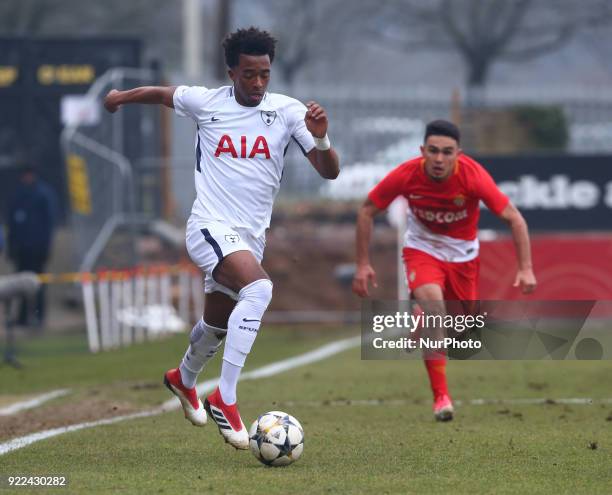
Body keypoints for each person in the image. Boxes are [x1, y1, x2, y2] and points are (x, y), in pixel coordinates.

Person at [104, 27, 339, 449]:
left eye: (264, 74)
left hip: (250, 236)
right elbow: (160, 93)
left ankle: (183, 378)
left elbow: (330, 171)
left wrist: (321, 136)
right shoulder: (205, 101)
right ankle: (225, 397)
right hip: (209, 226)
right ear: (232, 72)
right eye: (249, 74)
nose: (258, 83)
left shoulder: (288, 112)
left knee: (215, 324)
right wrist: (120, 97)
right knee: (260, 289)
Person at [352, 120, 536, 421]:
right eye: (433, 151)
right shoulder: (407, 174)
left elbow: (515, 219)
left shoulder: (473, 177)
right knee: (437, 311)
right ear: (422, 150)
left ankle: (423, 312)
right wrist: (362, 263)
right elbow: (367, 210)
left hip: (464, 257)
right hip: (422, 250)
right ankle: (441, 398)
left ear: (458, 154)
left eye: (447, 152)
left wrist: (526, 268)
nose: (439, 159)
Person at [5, 166, 57, 327]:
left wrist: (47, 246)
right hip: (22, 249)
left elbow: (49, 224)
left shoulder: (43, 195)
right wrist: (11, 247)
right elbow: (12, 225)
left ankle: (38, 317)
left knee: (38, 282)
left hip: (37, 248)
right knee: (20, 283)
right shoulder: (18, 196)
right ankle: (21, 317)